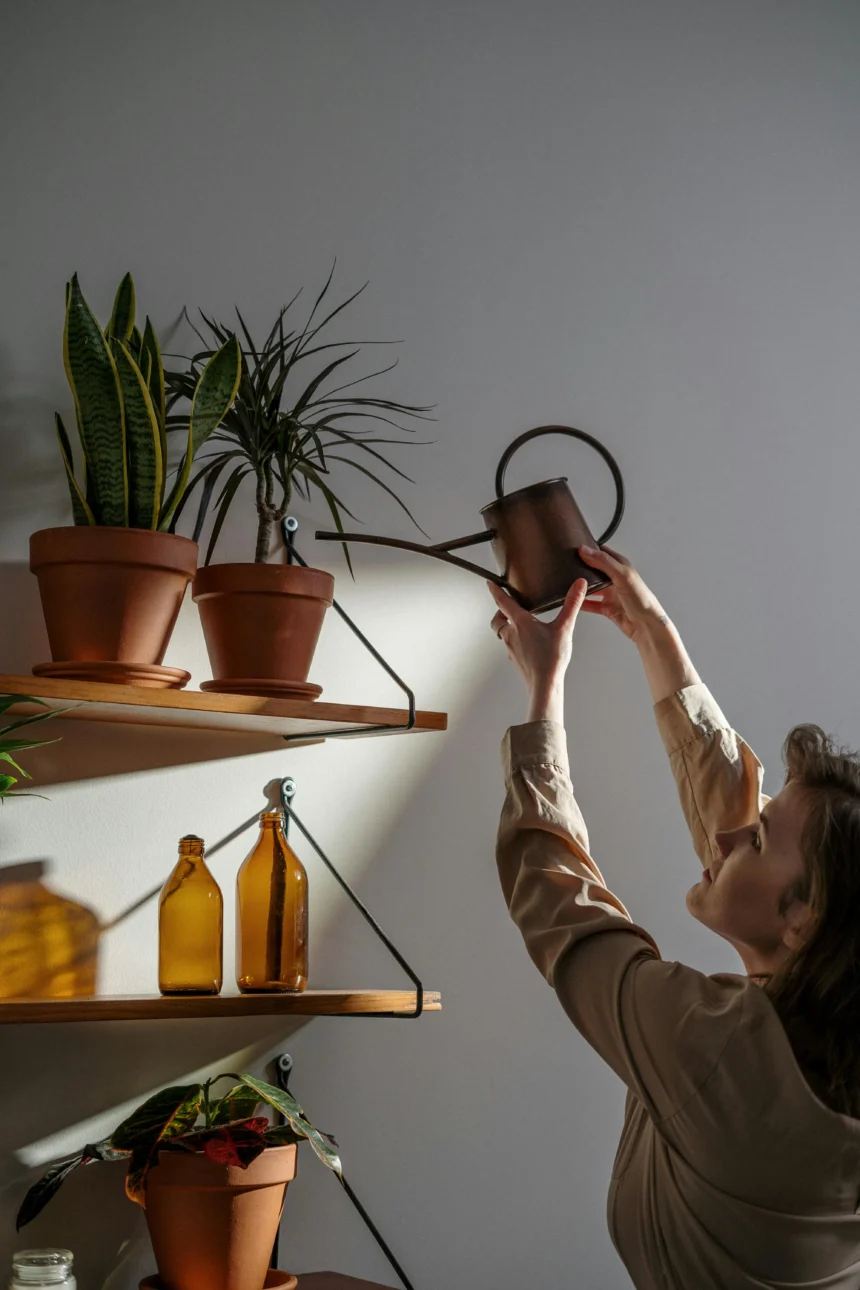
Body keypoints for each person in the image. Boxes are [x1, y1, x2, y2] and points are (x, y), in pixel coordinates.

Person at [489, 545, 860, 1290]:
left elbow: (561, 902)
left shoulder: (718, 1050)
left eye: (756, 837)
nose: (728, 835)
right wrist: (652, 633)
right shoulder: (829, 1043)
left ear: (804, 921)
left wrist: (543, 694)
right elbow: (734, 829)